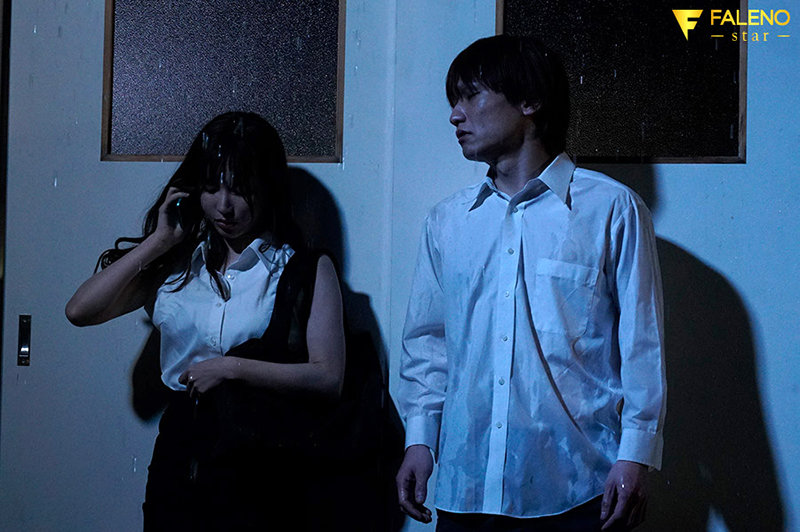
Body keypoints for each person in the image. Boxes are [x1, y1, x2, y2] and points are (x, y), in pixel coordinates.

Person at [396, 35, 666, 531]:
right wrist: (419, 440)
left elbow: (641, 345)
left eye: (471, 96)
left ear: (530, 101)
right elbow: (428, 343)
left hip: (578, 488)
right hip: (466, 485)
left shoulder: (611, 209)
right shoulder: (447, 222)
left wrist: (636, 455)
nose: (455, 115)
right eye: (453, 100)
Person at [66, 112, 345, 530]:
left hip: (265, 461)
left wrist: (232, 368)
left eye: (240, 189)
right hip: (181, 454)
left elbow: (328, 377)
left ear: (266, 187)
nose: (224, 206)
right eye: (212, 188)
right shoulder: (177, 263)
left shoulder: (300, 268)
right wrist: (161, 240)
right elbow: (80, 311)